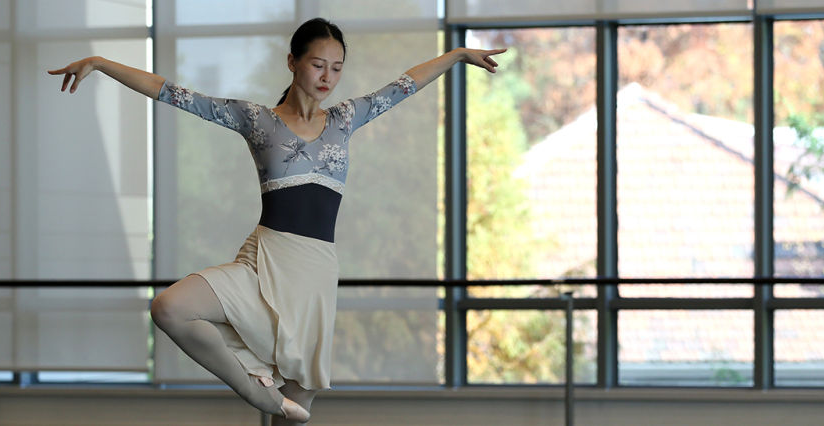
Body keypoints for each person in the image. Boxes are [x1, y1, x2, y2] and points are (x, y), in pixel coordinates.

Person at [48, 17, 505, 424]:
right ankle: (255, 392)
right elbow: (172, 93)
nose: (327, 77)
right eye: (318, 64)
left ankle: (270, 399)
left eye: (337, 68)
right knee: (169, 307)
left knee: (296, 408)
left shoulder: (345, 119)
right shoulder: (257, 120)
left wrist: (457, 55)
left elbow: (405, 84)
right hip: (263, 260)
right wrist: (102, 63)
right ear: (292, 62)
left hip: (313, 274)